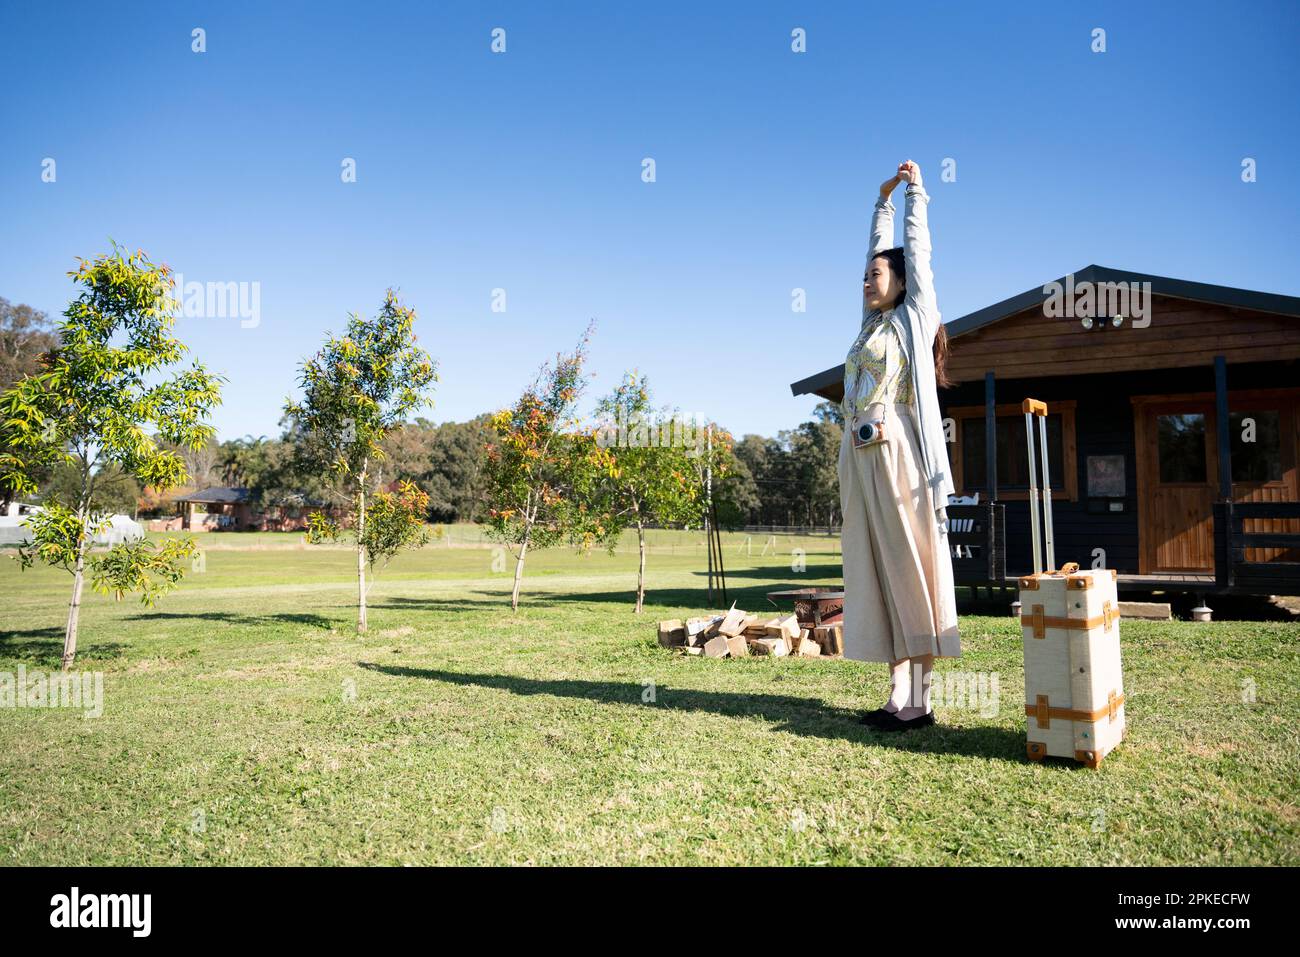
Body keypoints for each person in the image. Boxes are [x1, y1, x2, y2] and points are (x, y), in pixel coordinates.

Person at [837, 159, 961, 732]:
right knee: (877, 569)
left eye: (876, 275)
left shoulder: (913, 316)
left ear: (902, 283)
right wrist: (877, 202)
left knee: (912, 567)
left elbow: (918, 256)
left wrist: (914, 197)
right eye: (864, 275)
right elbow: (875, 251)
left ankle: (923, 700)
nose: (867, 281)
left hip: (898, 452)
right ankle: (896, 695)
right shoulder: (868, 326)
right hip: (858, 456)